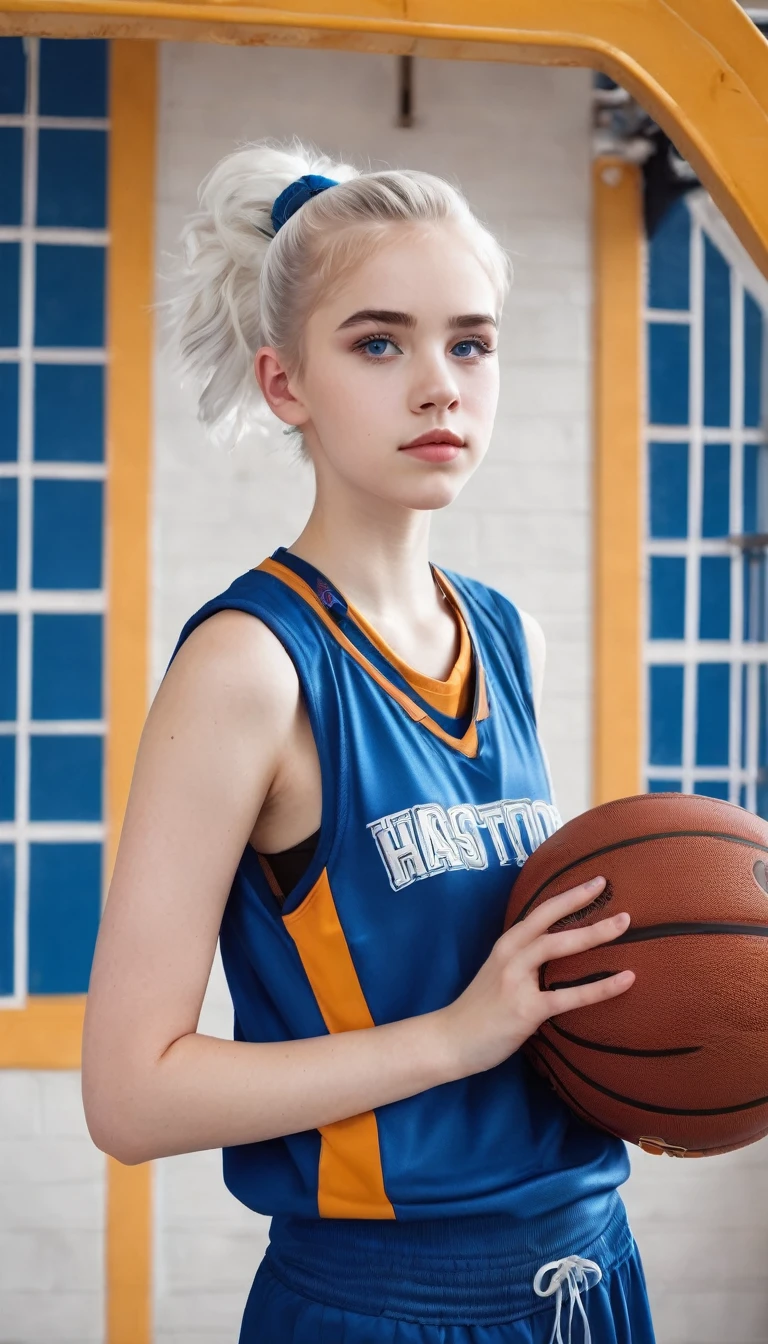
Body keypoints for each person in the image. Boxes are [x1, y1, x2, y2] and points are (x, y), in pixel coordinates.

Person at [82, 141, 656, 1344]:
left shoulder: (508, 639)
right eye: (380, 342)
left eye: (472, 341)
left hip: (594, 1268)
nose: (441, 385)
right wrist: (457, 1038)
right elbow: (129, 1095)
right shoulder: (249, 666)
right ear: (285, 383)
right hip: (385, 1302)